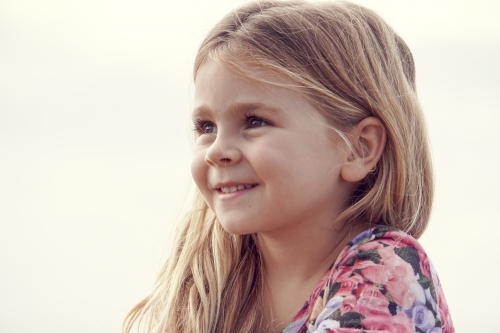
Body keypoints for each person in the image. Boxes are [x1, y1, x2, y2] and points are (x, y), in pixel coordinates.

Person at [123, 1, 454, 332]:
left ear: (358, 148)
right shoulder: (210, 284)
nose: (217, 151)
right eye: (206, 127)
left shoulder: (386, 273)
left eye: (254, 121)